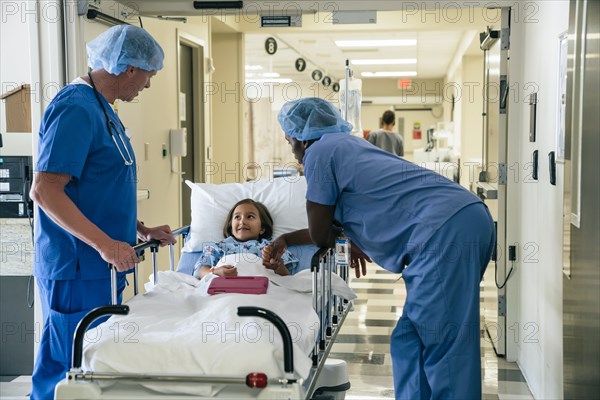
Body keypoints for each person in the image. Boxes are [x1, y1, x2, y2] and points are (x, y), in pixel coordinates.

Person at [275, 98, 495, 400]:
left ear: (301, 136)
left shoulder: (319, 153)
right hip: (458, 220)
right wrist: (311, 238)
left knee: (445, 345)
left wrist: (338, 240)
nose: (293, 152)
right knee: (410, 339)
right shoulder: (346, 144)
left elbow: (320, 231)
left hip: (443, 232)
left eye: (290, 142)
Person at [29, 25, 176, 399]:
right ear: (128, 68)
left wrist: (138, 229)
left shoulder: (102, 108)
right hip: (76, 267)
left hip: (102, 267)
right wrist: (105, 245)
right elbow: (45, 191)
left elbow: (97, 187)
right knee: (68, 367)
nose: (147, 85)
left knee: (95, 366)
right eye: (149, 75)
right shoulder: (75, 108)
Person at [192, 199, 302, 279]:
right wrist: (215, 272)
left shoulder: (270, 248)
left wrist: (277, 265)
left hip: (263, 292)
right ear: (231, 227)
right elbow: (199, 271)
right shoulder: (218, 247)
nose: (242, 221)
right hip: (225, 292)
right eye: (237, 217)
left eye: (250, 217)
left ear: (262, 228)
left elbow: (288, 280)